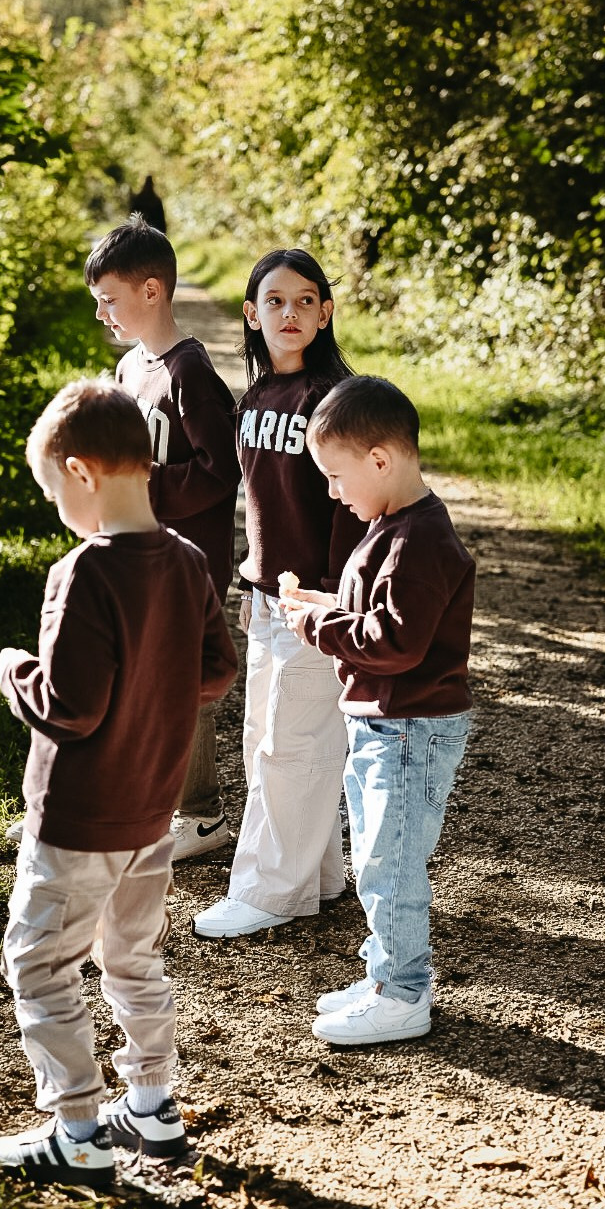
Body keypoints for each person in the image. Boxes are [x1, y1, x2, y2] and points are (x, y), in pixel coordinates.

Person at [0, 379, 238, 1184]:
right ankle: (153, 1108)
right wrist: (155, 691)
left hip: (79, 820)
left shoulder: (84, 573)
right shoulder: (188, 561)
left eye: (53, 491)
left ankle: (78, 1130)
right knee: (133, 958)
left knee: (39, 963)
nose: (57, 508)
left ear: (81, 472)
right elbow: (216, 672)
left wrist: (13, 671)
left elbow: (71, 708)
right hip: (152, 815)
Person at [281, 375, 475, 1045]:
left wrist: (318, 627)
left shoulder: (420, 541)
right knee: (375, 858)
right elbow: (378, 612)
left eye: (336, 477)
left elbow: (395, 642)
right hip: (385, 723)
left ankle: (404, 994)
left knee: (391, 865)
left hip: (408, 728)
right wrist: (330, 606)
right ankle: (384, 972)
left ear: (381, 460)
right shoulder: (392, 526)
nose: (333, 492)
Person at [192, 250, 364, 940]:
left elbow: (353, 511)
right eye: (274, 301)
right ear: (250, 313)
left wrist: (333, 601)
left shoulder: (337, 401)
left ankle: (269, 892)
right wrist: (251, 581)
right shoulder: (257, 397)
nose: (289, 313)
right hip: (269, 597)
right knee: (267, 738)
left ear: (325, 312)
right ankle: (316, 875)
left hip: (315, 604)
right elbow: (265, 508)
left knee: (291, 746)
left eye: (304, 301)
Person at [84, 216, 240, 859]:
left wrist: (146, 482)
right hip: (139, 552)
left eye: (109, 300)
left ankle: (200, 814)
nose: (102, 314)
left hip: (189, 563)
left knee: (184, 682)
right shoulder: (130, 367)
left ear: (152, 291)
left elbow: (222, 469)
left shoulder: (190, 373)